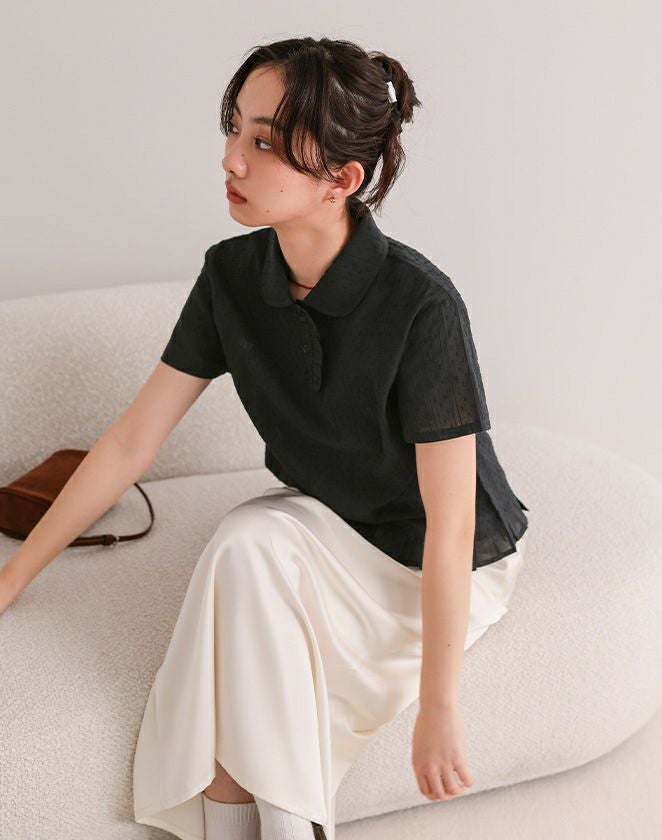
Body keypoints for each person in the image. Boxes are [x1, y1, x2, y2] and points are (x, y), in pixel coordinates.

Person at [0, 35, 530, 840]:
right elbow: (131, 444)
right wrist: (13, 580)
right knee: (245, 541)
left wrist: (440, 706)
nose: (232, 159)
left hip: (439, 564)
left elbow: (453, 524)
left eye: (266, 143)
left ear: (342, 180)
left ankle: (248, 822)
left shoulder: (421, 305)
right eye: (234, 128)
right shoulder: (232, 277)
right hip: (329, 533)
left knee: (245, 588)